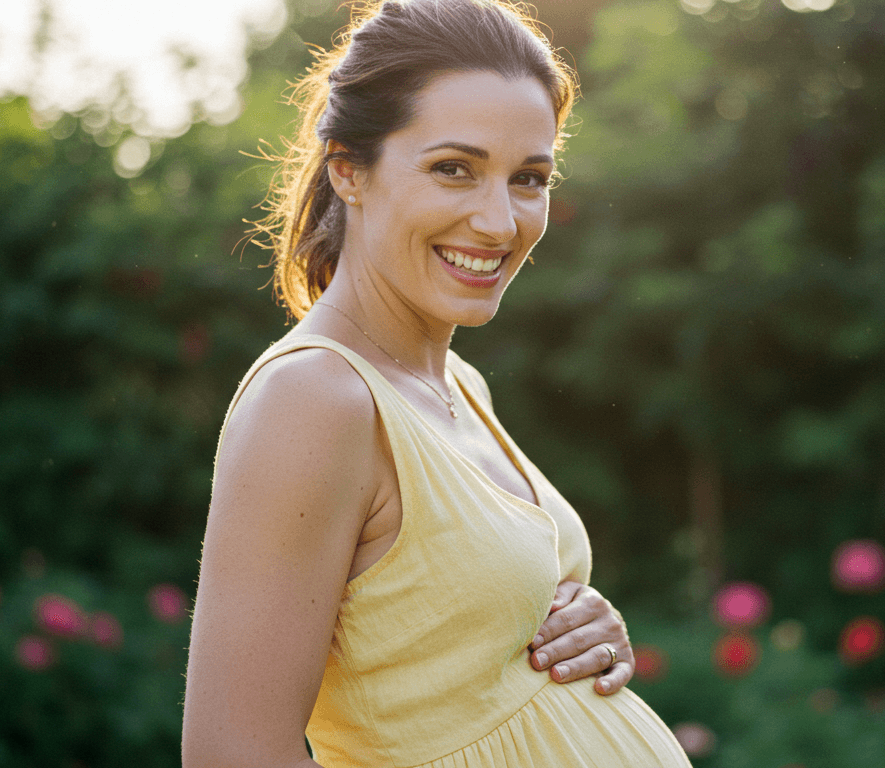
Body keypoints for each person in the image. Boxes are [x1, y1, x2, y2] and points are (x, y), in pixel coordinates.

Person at [180, 0, 693, 766]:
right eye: (454, 169)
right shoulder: (316, 399)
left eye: (528, 178)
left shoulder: (457, 384)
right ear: (348, 169)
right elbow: (233, 754)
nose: (498, 221)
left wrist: (580, 640)